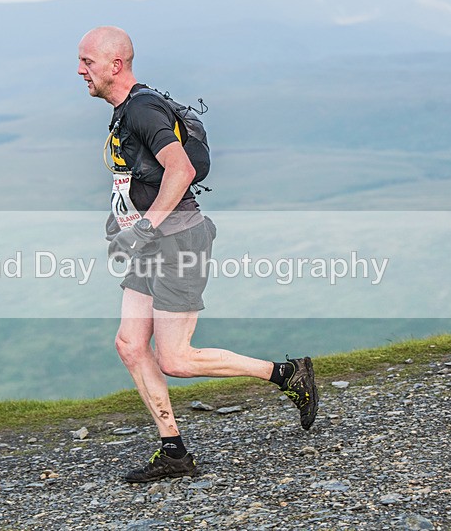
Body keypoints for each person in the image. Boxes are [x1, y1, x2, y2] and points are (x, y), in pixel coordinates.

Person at [77, 26, 318, 483]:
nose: (79, 70)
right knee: (130, 345)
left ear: (115, 64)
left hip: (177, 243)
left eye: (87, 61)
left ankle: (287, 375)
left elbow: (181, 169)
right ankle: (174, 452)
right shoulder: (124, 111)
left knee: (176, 358)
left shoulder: (143, 108)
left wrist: (145, 227)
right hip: (148, 246)